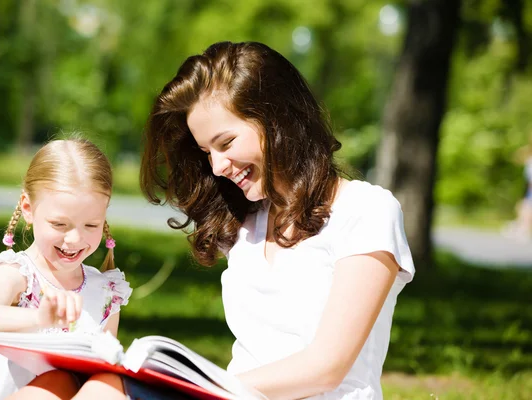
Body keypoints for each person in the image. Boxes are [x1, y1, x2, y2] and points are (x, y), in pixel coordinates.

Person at [135, 41, 415, 399]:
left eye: (226, 143)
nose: (217, 167)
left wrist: (201, 387)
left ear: (276, 118)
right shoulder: (245, 221)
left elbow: (325, 369)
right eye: (207, 152)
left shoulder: (366, 211)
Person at [0, 138, 132, 400]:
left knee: (109, 383)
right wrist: (38, 319)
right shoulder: (17, 273)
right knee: (57, 381)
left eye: (91, 225)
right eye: (59, 224)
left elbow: (102, 366)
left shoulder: (107, 292)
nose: (75, 239)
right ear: (28, 209)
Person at [503, 138, 532, 241]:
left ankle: (523, 229)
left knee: (526, 208)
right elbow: (517, 157)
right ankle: (522, 228)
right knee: (524, 207)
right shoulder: (529, 158)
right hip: (529, 189)